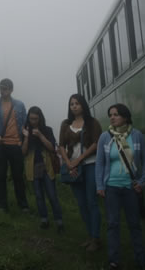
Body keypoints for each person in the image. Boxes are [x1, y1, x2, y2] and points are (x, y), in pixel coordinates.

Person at [96, 104, 145, 270]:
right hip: (111, 187)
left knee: (134, 225)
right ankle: (114, 261)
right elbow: (100, 163)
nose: (112, 117)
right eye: (110, 114)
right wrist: (100, 185)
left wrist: (142, 182)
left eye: (116, 114)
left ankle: (141, 261)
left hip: (130, 188)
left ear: (125, 117)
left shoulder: (137, 136)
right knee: (112, 224)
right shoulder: (105, 137)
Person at [58, 94, 104, 251]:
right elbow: (61, 146)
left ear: (83, 105)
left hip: (90, 164)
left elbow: (96, 143)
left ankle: (96, 238)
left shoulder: (92, 123)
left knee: (91, 202)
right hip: (73, 167)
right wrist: (69, 163)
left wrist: (79, 160)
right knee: (82, 204)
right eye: (71, 104)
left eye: (77, 103)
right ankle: (90, 236)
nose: (74, 106)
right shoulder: (65, 125)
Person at [0, 78, 28, 212]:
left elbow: (25, 125)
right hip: (0, 146)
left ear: (11, 89)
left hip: (16, 145)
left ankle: (23, 205)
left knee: (18, 176)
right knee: (1, 176)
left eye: (6, 88)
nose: (3, 90)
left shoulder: (20, 105)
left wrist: (25, 139)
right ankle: (2, 205)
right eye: (1, 87)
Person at [21, 106, 63, 232]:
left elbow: (51, 148)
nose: (33, 121)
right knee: (39, 196)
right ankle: (44, 219)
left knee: (52, 195)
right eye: (31, 118)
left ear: (40, 119)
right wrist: (27, 137)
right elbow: (23, 152)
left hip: (47, 166)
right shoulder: (25, 131)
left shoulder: (47, 130)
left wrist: (40, 135)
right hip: (32, 167)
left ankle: (59, 221)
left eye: (36, 119)